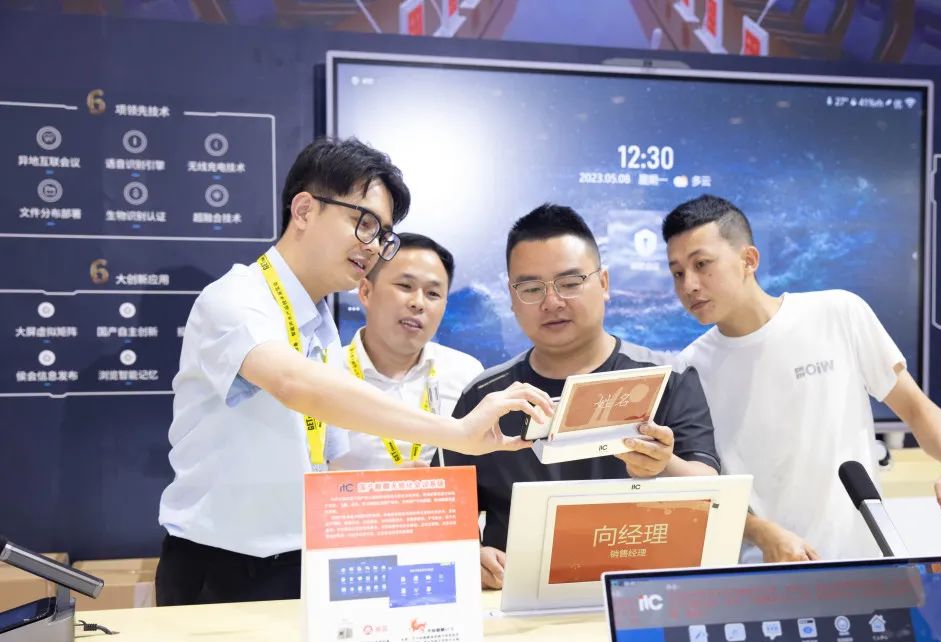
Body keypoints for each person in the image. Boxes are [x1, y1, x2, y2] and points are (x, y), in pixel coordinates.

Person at [157, 138, 551, 605]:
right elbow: (292, 383)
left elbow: (329, 467)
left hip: (303, 562)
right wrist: (457, 433)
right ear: (304, 210)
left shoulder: (320, 325)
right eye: (364, 224)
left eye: (384, 235)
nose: (375, 247)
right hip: (218, 567)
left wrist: (413, 515)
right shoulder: (236, 298)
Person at [663, 194, 941, 562]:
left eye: (702, 264)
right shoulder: (689, 369)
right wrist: (759, 532)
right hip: (760, 572)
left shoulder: (838, 313)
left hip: (863, 562)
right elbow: (703, 490)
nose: (689, 285)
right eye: (677, 273)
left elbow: (915, 408)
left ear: (749, 260)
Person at [441, 204, 722, 590]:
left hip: (643, 596)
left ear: (603, 283)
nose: (552, 302)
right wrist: (469, 554)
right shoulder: (486, 398)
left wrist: (662, 464)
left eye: (570, 283)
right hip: (519, 604)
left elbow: (712, 494)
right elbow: (445, 517)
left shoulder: (666, 378)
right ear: (512, 298)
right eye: (531, 289)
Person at [330, 233, 483, 470]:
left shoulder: (467, 375)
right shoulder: (326, 372)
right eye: (405, 286)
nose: (418, 303)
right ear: (366, 292)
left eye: (433, 294)